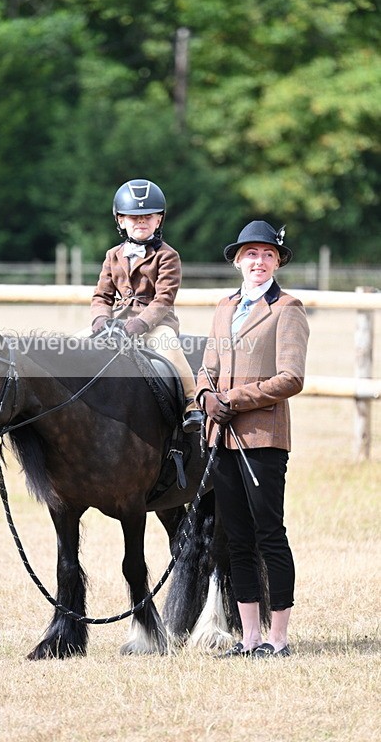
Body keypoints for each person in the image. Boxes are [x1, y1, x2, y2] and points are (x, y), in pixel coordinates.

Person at [196, 220, 309, 657]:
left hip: (263, 438)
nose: (258, 261)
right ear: (238, 261)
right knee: (237, 539)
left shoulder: (287, 309)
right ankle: (250, 638)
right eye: (251, 254)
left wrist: (233, 399)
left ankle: (278, 639)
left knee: (268, 535)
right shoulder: (224, 307)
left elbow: (291, 377)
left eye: (267, 254)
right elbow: (206, 367)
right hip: (222, 439)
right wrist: (207, 397)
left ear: (277, 261)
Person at [90, 178, 203, 433]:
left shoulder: (168, 255)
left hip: (155, 324)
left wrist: (140, 323)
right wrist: (101, 320)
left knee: (170, 347)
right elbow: (102, 295)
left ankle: (191, 401)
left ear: (158, 220)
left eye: (148, 217)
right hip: (116, 324)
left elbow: (164, 299)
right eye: (134, 217)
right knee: (75, 344)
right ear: (121, 220)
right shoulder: (112, 255)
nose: (141, 222)